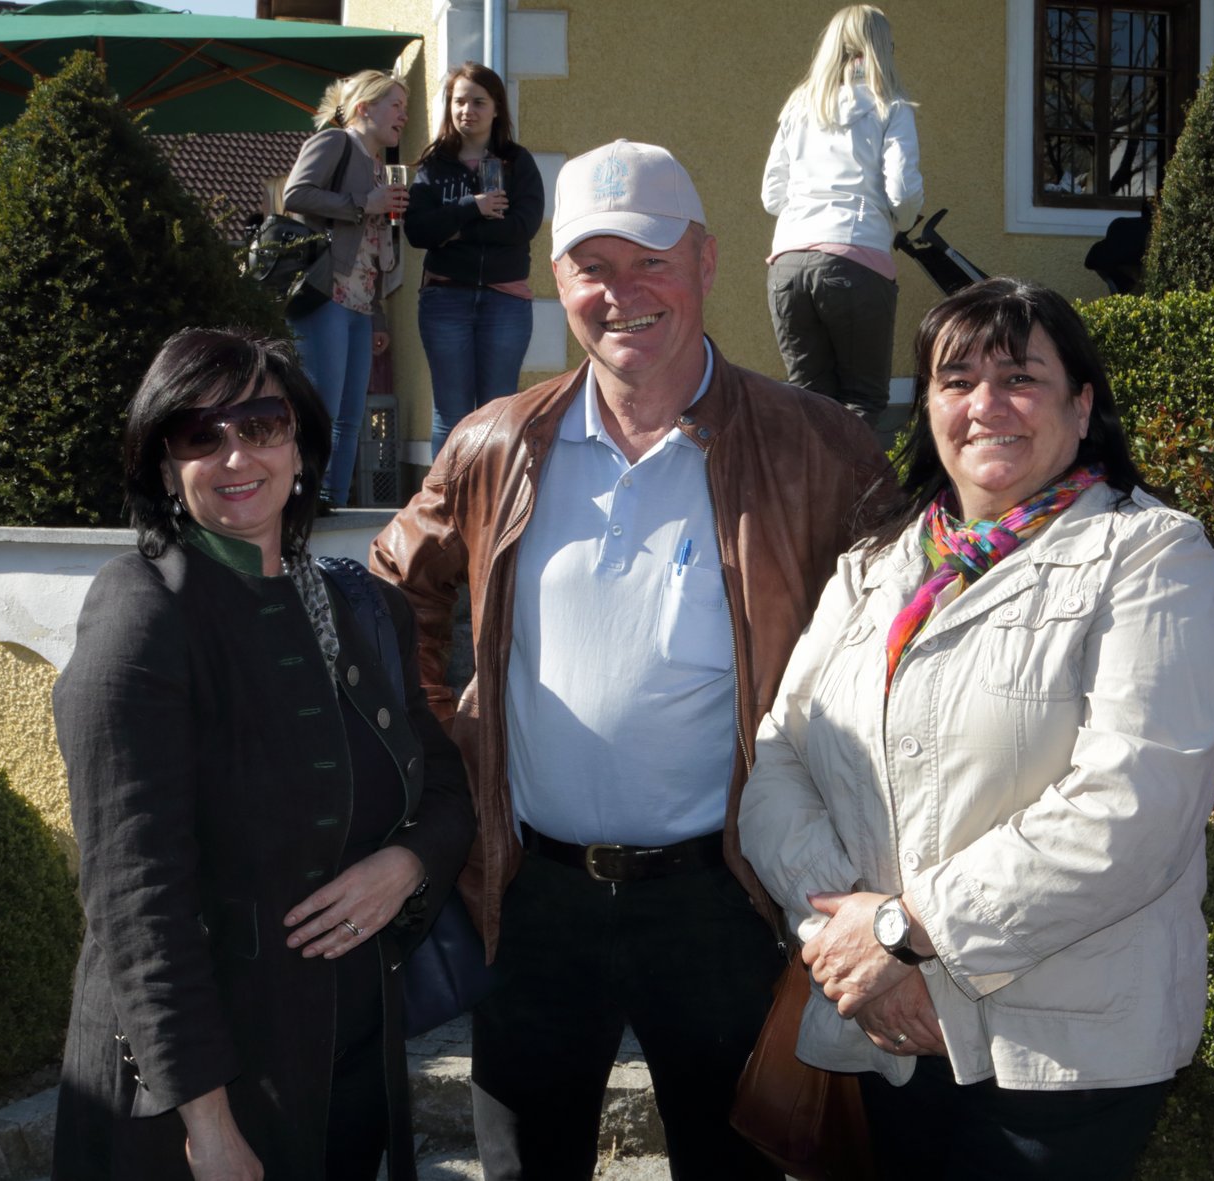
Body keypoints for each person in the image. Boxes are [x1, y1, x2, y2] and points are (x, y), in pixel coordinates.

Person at [370, 139, 896, 1180]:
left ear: (706, 260)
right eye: (592, 267)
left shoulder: (819, 447)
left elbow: (899, 647)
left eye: (651, 260)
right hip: (532, 896)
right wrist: (444, 754)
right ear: (556, 281)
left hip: (725, 897)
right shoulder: (495, 443)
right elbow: (393, 592)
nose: (622, 294)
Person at [738, 278, 1214, 1180]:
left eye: (1020, 378)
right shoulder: (874, 567)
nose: (986, 405)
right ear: (928, 407)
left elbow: (1133, 807)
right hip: (883, 1035)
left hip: (1056, 1061)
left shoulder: (1152, 556)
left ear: (1081, 406)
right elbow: (781, 759)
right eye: (957, 380)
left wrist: (907, 933)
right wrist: (854, 943)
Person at [50, 328, 473, 1181]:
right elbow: (135, 901)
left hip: (349, 1058)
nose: (236, 454)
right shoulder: (142, 612)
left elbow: (445, 789)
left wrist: (404, 864)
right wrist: (207, 1125)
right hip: (206, 1083)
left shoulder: (359, 609)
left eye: (261, 424)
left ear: (301, 446)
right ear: (165, 464)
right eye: (199, 434)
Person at [762, 4, 922, 426]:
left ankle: (808, 474)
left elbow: (772, 196)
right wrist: (902, 221)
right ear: (881, 49)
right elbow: (903, 191)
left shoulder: (798, 107)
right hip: (856, 256)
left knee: (808, 401)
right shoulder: (891, 106)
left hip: (787, 264)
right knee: (862, 402)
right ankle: (852, 474)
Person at [282, 70, 409, 512]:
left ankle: (332, 507)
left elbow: (373, 250)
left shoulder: (380, 168)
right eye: (396, 106)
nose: (404, 116)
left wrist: (378, 316)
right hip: (325, 294)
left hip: (360, 304)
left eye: (406, 108)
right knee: (323, 410)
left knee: (351, 417)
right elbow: (295, 194)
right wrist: (362, 204)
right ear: (364, 108)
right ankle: (303, 504)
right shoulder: (334, 142)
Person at [405, 62, 545, 456]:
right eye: (459, 101)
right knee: (450, 414)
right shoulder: (434, 165)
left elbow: (522, 227)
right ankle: (445, 494)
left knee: (498, 412)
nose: (467, 110)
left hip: (505, 301)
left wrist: (455, 231)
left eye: (478, 102)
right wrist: (472, 207)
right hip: (444, 300)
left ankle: (493, 493)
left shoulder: (518, 162)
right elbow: (418, 232)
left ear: (497, 108)